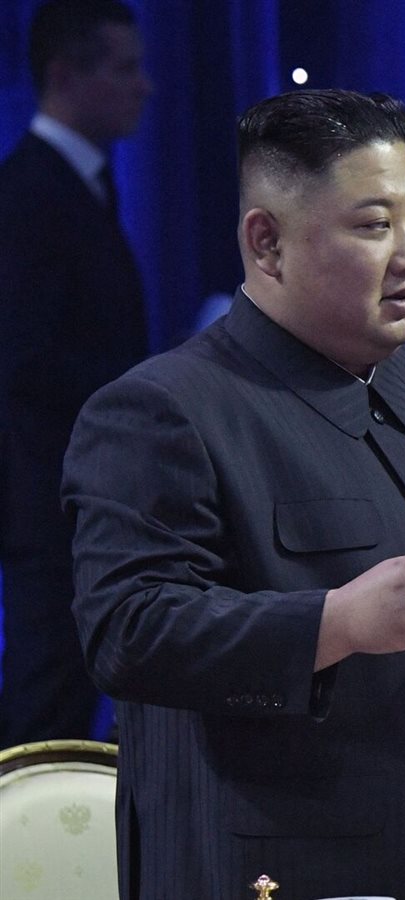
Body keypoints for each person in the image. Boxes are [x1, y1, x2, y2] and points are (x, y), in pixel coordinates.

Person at [62, 89, 405, 899]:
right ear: (267, 242)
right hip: (296, 872)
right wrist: (335, 622)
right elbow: (130, 631)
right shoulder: (164, 409)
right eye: (373, 226)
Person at [0, 0, 151, 747]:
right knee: (44, 704)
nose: (144, 87)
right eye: (124, 68)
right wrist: (148, 379)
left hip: (81, 497)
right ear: (64, 75)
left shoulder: (77, 182)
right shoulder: (28, 193)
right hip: (48, 500)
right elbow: (24, 358)